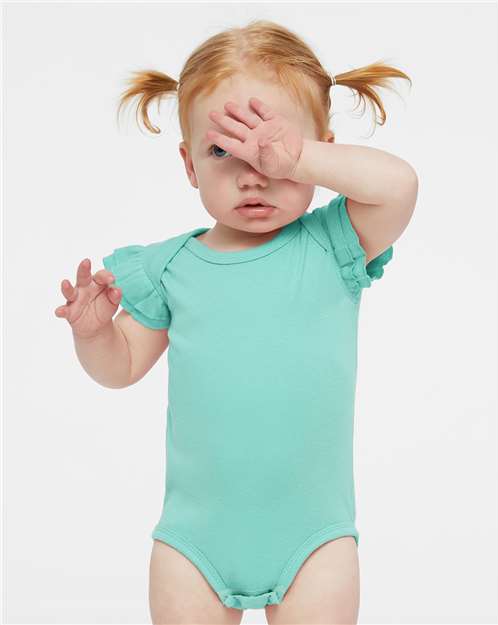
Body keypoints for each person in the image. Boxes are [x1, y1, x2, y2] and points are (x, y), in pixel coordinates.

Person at [55, 19, 418, 625]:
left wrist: (303, 160)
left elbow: (400, 186)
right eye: (222, 151)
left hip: (314, 540)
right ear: (189, 164)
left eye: (272, 147)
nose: (253, 171)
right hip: (194, 543)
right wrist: (94, 336)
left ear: (323, 150)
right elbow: (121, 368)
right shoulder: (169, 267)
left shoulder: (336, 244)